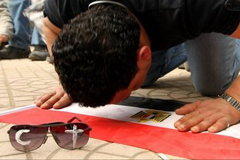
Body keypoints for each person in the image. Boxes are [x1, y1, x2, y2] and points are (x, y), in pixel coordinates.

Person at [36, 0, 240, 133]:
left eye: (130, 91)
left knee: (212, 84)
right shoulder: (64, 4)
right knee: (140, 78)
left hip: (204, 16)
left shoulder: (201, 5)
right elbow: (50, 27)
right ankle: (180, 50)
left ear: (145, 55)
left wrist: (234, 101)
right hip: (162, 17)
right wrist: (74, 76)